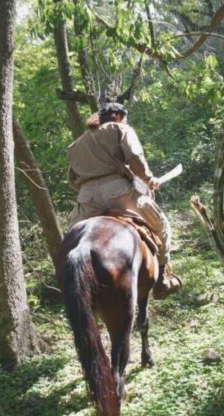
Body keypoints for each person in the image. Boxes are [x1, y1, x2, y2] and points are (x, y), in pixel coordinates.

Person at [66, 102, 182, 299]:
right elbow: (135, 157)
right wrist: (149, 180)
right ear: (118, 116)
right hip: (118, 194)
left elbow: (71, 179)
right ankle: (161, 279)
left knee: (70, 239)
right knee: (162, 225)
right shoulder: (120, 128)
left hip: (87, 198)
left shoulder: (76, 144)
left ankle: (67, 280)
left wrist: (89, 188)